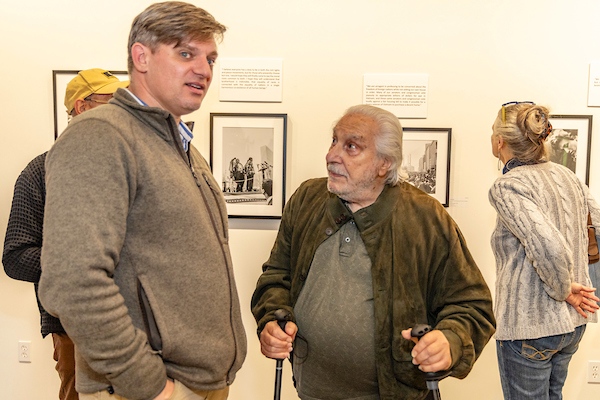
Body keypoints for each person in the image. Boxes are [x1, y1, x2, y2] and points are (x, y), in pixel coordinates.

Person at [38, 2, 247, 400]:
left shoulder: (179, 144)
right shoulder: (101, 135)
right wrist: (150, 386)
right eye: (185, 53)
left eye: (210, 58)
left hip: (200, 383)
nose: (203, 70)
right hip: (147, 389)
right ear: (141, 57)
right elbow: (73, 281)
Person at [251, 104, 496, 400]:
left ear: (384, 164)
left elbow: (472, 306)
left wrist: (450, 340)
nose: (331, 155)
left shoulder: (425, 218)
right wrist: (271, 321)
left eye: (351, 146)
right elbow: (276, 277)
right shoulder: (307, 200)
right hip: (310, 392)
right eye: (334, 141)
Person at [3, 68, 128, 400]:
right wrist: (82, 264)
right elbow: (15, 258)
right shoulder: (40, 172)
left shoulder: (130, 168)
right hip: (75, 327)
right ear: (82, 107)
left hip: (139, 325)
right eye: (112, 102)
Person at [489, 101, 599, 399]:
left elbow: (549, 246)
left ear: (500, 142)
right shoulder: (567, 175)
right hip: (573, 325)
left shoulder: (507, 185)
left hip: (531, 328)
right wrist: (586, 286)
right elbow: (597, 227)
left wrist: (564, 289)